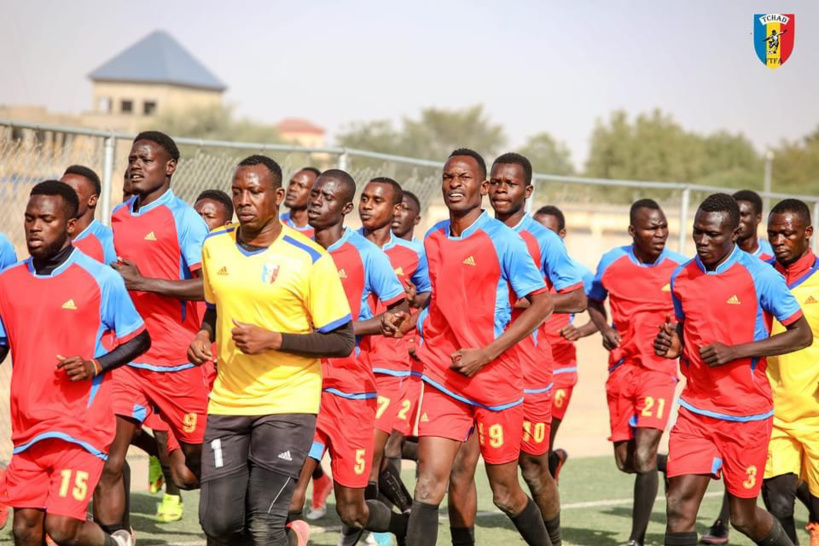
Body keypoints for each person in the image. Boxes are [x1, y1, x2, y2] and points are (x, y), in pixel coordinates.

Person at [383, 149, 555, 546]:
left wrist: (487, 353)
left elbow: (543, 303)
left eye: (463, 177)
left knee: (507, 494)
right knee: (428, 485)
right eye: (448, 177)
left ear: (484, 187)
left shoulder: (505, 242)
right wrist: (412, 309)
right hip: (444, 377)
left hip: (494, 381)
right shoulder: (434, 237)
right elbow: (436, 296)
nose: (454, 184)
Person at [188, 156, 355, 545]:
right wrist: (203, 335)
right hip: (228, 400)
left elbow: (342, 341)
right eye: (237, 192)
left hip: (288, 402)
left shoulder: (310, 259)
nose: (243, 200)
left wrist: (275, 339)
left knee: (263, 524)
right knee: (219, 523)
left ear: (278, 196)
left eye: (254, 192)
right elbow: (216, 307)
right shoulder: (215, 246)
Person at [654, 193, 812, 546]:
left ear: (734, 232)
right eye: (697, 232)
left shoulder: (761, 277)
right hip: (696, 412)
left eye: (713, 235)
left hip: (747, 416)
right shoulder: (682, 277)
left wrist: (736, 352)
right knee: (679, 507)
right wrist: (673, 346)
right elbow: (684, 331)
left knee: (743, 517)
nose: (703, 241)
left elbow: (803, 334)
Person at [0, 181, 150, 546]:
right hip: (28, 427)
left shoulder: (101, 279)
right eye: (29, 218)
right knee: (24, 530)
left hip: (80, 427)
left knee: (62, 529)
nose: (35, 226)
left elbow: (139, 338)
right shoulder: (8, 281)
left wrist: (96, 365)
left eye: (46, 219)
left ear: (70, 225)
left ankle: (113, 542)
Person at [95, 131, 210, 538]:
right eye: (132, 158)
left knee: (188, 471)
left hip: (177, 360)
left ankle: (240, 503)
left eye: (146, 158)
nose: (136, 165)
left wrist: (146, 283)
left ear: (170, 167)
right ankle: (117, 536)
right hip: (128, 357)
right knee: (108, 457)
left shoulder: (184, 218)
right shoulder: (120, 214)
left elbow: (210, 288)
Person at [286, 169, 410, 546]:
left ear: (346, 207)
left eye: (327, 196)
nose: (317, 200)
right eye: (315, 193)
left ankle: (408, 528)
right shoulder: (294, 248)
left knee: (352, 510)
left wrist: (347, 331)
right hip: (303, 386)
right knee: (289, 489)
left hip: (351, 393)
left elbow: (400, 313)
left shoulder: (365, 255)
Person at [587, 199, 687, 546]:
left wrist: (679, 339)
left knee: (644, 455)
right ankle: (687, 469)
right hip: (621, 370)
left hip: (659, 371)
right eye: (650, 228)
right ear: (633, 231)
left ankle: (636, 540)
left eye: (663, 226)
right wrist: (604, 329)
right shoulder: (612, 263)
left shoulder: (680, 268)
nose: (659, 233)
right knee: (627, 462)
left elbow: (695, 312)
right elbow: (593, 300)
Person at [359, 177, 431, 518]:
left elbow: (430, 292)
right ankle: (402, 515)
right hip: (349, 362)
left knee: (382, 450)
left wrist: (412, 315)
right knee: (353, 452)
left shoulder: (413, 253)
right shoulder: (345, 246)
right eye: (365, 198)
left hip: (392, 364)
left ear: (397, 209)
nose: (368, 205)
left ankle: (377, 524)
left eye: (378, 200)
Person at [761, 199, 819, 544]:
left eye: (787, 233)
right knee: (778, 500)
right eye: (773, 234)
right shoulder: (760, 276)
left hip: (815, 413)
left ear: (808, 233)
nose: (779, 240)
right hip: (773, 410)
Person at [533, 205, 597, 480]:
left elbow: (600, 312)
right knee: (527, 446)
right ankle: (553, 461)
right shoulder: (522, 267)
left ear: (562, 234)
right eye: (535, 232)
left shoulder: (577, 272)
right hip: (525, 367)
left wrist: (582, 331)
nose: (540, 239)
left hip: (560, 368)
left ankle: (547, 512)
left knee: (542, 443)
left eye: (547, 232)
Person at [59, 165, 116, 265]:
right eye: (59, 190)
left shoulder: (107, 241)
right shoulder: (52, 236)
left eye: (71, 192)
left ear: (92, 200)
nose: (62, 197)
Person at [281, 167, 321, 238]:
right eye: (292, 183)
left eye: (301, 186)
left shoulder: (321, 233)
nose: (292, 188)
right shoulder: (275, 223)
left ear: (315, 194)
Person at [735, 189, 774, 260]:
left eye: (743, 215)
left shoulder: (772, 256)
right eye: (735, 215)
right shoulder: (720, 254)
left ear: (758, 218)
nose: (738, 220)